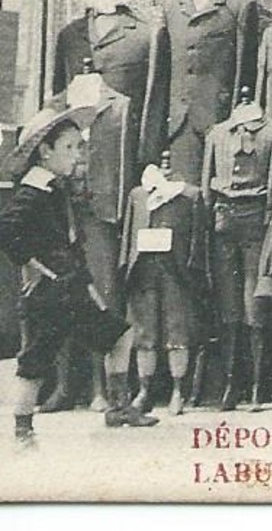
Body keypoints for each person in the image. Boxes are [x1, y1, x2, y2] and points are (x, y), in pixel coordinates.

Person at [0, 107, 157, 447]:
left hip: (70, 290)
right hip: (49, 295)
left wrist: (87, 287)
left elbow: (69, 246)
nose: (77, 155)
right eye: (69, 148)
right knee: (35, 362)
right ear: (46, 151)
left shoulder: (53, 187)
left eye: (78, 146)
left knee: (119, 336)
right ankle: (22, 430)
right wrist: (33, 265)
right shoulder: (32, 191)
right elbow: (7, 230)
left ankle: (117, 408)